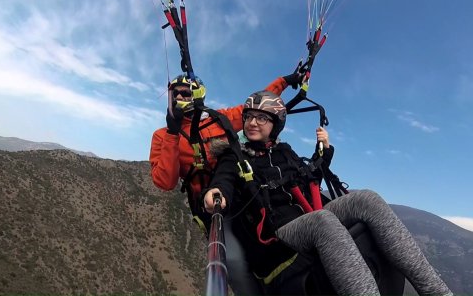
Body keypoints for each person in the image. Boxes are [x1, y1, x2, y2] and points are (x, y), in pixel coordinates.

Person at [203, 90, 452, 296]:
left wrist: (324, 150)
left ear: (275, 124)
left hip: (308, 216)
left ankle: (437, 291)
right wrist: (217, 192)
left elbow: (310, 178)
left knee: (367, 198)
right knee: (322, 221)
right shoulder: (234, 155)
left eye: (262, 118)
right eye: (249, 117)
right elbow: (223, 178)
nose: (253, 122)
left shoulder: (284, 152)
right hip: (277, 233)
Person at [149, 72, 304, 295]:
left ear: (197, 95)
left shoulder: (217, 121)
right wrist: (173, 133)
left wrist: (286, 81)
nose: (179, 97)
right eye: (175, 94)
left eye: (185, 93)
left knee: (271, 237)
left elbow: (258, 105)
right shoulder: (162, 136)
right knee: (233, 261)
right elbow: (165, 181)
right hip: (213, 207)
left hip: (243, 194)